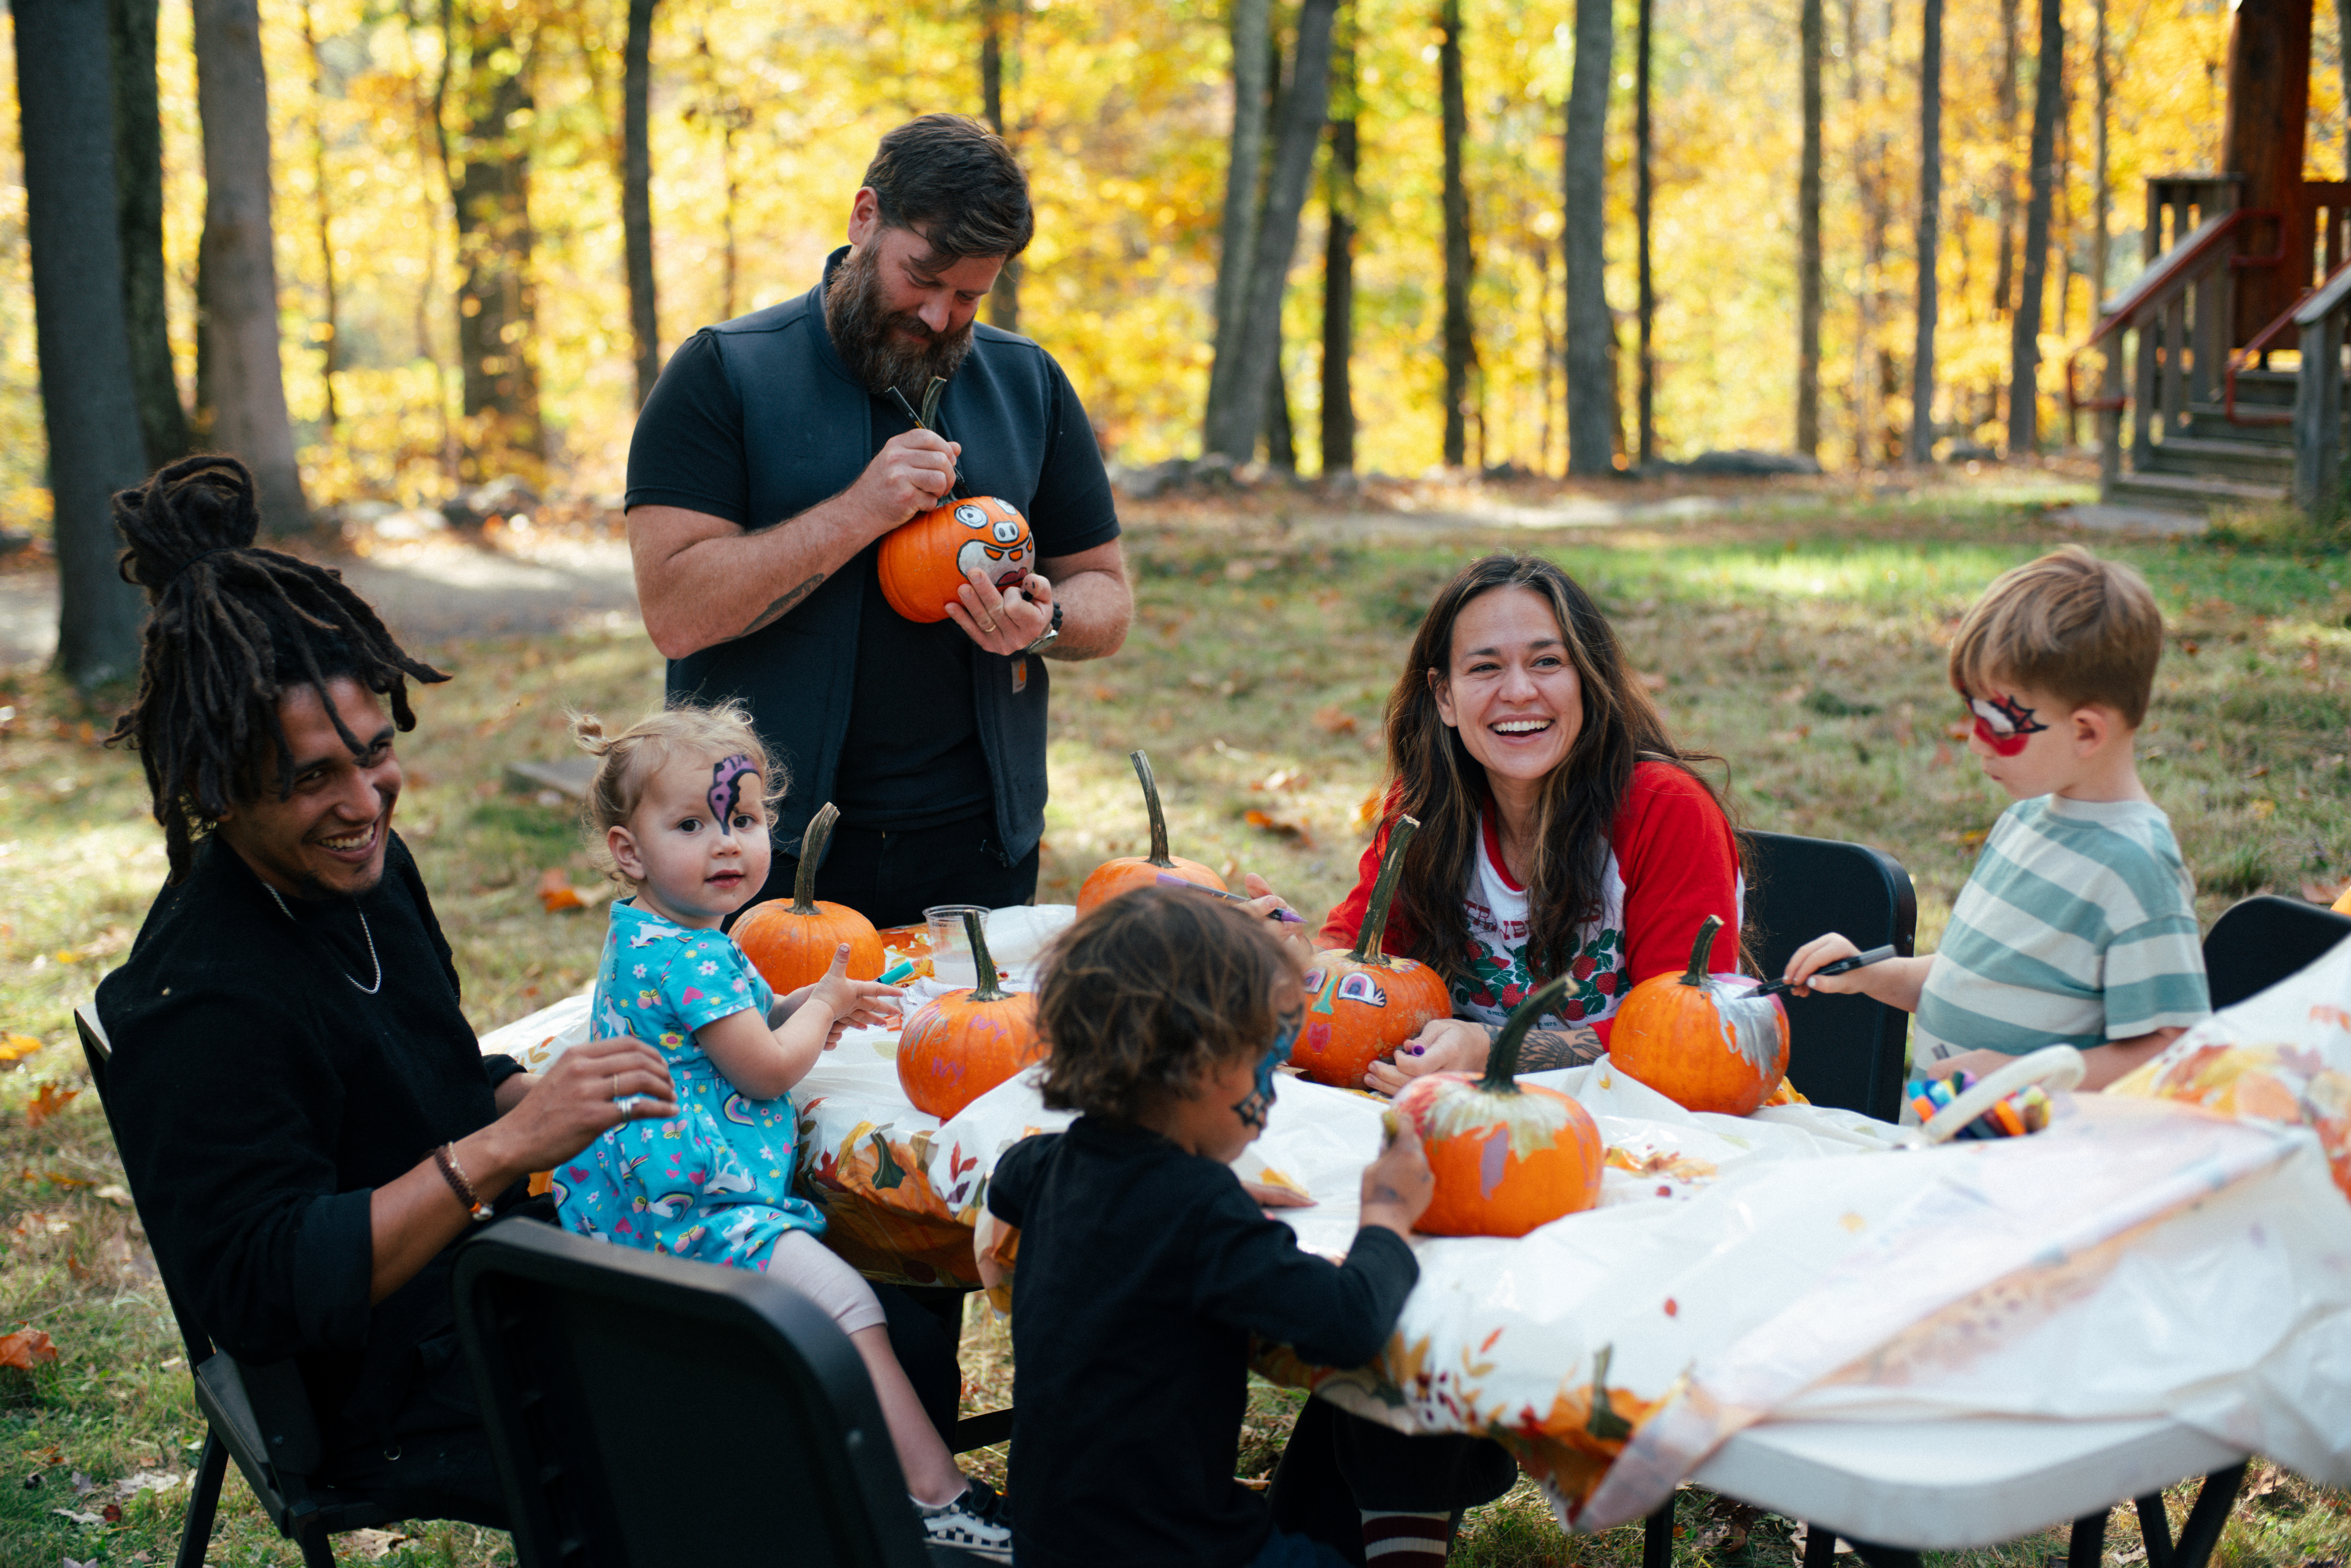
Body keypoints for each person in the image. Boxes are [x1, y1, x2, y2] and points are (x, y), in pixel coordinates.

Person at [89, 457, 953, 1526]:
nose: (365, 803)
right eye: (314, 776)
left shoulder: (360, 871)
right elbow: (267, 1285)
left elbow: (431, 1068)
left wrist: (540, 1097)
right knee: (805, 1385)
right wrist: (505, 1146)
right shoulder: (203, 997)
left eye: (374, 754)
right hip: (386, 1376)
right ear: (217, 784)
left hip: (490, 1268)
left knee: (897, 1332)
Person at [1253, 552, 1749, 1563]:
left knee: (1409, 1281)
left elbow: (1692, 1034)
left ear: (1589, 680)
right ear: (1441, 695)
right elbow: (1362, 960)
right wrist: (1287, 950)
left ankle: (1369, 1510)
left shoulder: (1661, 811)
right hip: (1469, 1147)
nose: (1517, 692)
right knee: (1379, 1259)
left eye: (1546, 662)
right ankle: (1375, 1513)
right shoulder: (1428, 808)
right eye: (1483, 667)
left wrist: (1498, 1051)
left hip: (1654, 1155)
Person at [625, 113, 1133, 928]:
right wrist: (863, 510)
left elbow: (1104, 591)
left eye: (969, 294)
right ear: (866, 219)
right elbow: (676, 613)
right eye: (922, 277)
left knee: (968, 1053)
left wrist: (1047, 622)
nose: (940, 315)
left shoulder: (1027, 381)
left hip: (975, 841)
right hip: (757, 846)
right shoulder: (724, 372)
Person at [554, 704, 1010, 1559]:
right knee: (850, 1308)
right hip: (695, 1214)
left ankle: (870, 1477)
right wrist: (827, 1006)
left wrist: (798, 1008)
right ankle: (934, 1498)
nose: (726, 843)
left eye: (746, 819)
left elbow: (735, 1029)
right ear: (629, 850)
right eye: (691, 824)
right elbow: (763, 1069)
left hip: (644, 1202)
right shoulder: (690, 953)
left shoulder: (658, 933)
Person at [976, 887, 1435, 1568]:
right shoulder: (1199, 1217)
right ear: (1196, 1069)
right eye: (1265, 1061)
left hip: (1050, 1538)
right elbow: (1348, 1322)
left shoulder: (1051, 1166)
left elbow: (1010, 1179)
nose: (1272, 1091)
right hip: (1176, 1549)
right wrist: (1387, 1217)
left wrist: (1187, 1175)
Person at [1784, 545, 2209, 1090]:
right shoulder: (2026, 822)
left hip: (2041, 1165)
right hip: (1960, 1149)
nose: (1975, 746)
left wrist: (2020, 1078)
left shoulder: (2137, 867)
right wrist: (1875, 976)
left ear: (2086, 732)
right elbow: (1975, 983)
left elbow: (2174, 1055)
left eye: (1998, 726)